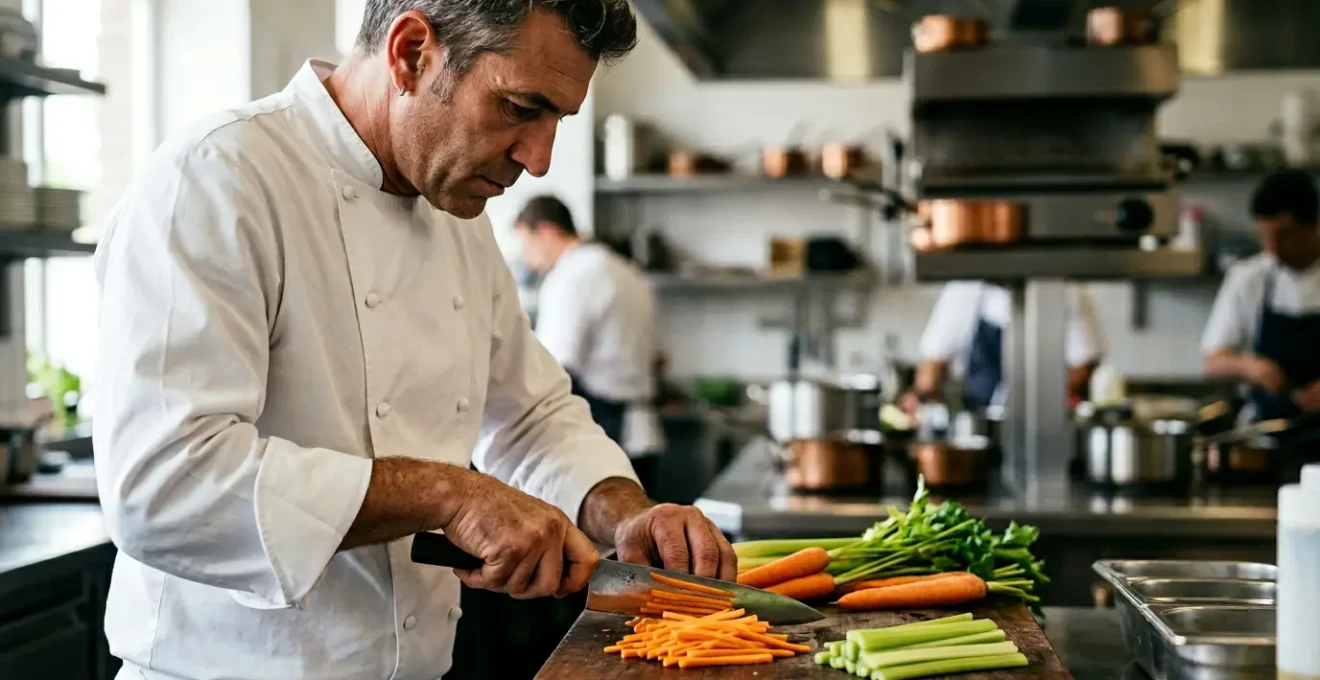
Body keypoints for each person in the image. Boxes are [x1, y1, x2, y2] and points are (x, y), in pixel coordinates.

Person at [91, 2, 736, 679]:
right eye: (521, 108)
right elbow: (161, 485)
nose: (539, 160)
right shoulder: (216, 180)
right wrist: (447, 495)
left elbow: (529, 414)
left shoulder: (459, 214)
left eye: (556, 122)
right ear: (411, 53)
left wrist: (626, 515)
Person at [514, 195, 665, 492]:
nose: (528, 259)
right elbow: (660, 358)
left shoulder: (571, 277)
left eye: (526, 245)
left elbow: (552, 367)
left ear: (546, 232)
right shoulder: (625, 270)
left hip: (603, 442)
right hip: (642, 435)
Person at [1203, 170, 1320, 420]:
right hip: (1267, 431)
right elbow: (1213, 362)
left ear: (1314, 223)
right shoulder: (1249, 277)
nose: (1273, 249)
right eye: (1266, 237)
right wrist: (1250, 366)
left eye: (1285, 236)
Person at [907, 281, 1106, 412]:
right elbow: (932, 371)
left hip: (1042, 426)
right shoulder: (966, 286)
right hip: (985, 424)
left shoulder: (1066, 285)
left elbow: (1084, 365)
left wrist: (1044, 406)